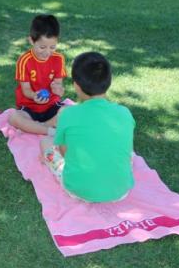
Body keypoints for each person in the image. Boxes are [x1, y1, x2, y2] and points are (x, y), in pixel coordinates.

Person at [40, 52, 135, 203]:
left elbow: (65, 153)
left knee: (45, 142)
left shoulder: (67, 114)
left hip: (77, 189)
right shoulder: (124, 113)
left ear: (76, 86)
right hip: (121, 190)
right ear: (109, 81)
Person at [8, 14, 67, 135]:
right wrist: (34, 96)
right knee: (13, 117)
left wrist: (58, 89)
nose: (47, 52)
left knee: (69, 112)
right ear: (31, 40)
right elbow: (26, 90)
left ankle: (41, 127)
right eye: (42, 47)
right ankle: (50, 130)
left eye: (52, 47)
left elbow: (58, 85)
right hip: (29, 107)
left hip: (51, 106)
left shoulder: (59, 59)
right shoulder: (24, 60)